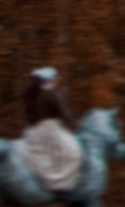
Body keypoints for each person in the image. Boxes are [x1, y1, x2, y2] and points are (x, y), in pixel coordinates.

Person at [15, 66, 85, 194]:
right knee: (73, 152)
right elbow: (65, 114)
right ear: (50, 81)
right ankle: (61, 185)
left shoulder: (30, 94)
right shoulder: (52, 94)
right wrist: (77, 126)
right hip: (49, 130)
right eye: (54, 79)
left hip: (31, 131)